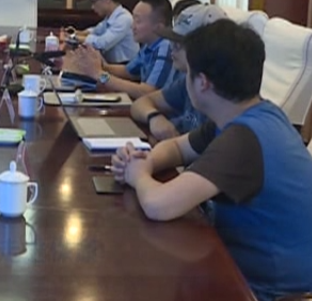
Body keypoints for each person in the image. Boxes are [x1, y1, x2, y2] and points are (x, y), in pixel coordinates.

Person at [112, 20, 312, 301]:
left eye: (188, 73)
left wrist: (137, 175)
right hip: (246, 271)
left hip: (271, 292)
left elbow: (159, 205)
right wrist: (144, 159)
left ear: (203, 82)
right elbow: (177, 148)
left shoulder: (242, 140)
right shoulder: (253, 115)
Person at [131, 4, 228, 140]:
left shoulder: (221, 98)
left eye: (179, 44)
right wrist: (154, 117)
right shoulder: (187, 80)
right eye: (172, 41)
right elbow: (140, 103)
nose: (172, 47)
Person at [63, 0, 177, 100]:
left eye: (138, 21)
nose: (132, 26)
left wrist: (100, 74)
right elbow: (128, 72)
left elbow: (147, 92)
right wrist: (100, 65)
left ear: (159, 27)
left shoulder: (165, 47)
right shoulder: (149, 44)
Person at [61, 0, 138, 64]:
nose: (92, 7)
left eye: (94, 2)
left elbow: (101, 44)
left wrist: (73, 37)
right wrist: (75, 33)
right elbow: (94, 31)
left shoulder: (124, 19)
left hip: (125, 67)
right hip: (112, 65)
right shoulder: (109, 18)